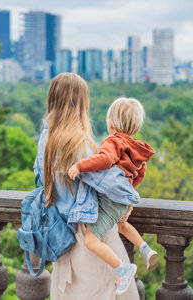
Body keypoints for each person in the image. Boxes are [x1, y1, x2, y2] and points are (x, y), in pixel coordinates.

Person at [34, 73, 140, 299]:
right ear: (81, 103)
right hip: (89, 237)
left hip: (62, 236)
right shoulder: (79, 144)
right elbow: (113, 187)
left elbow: (40, 181)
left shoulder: (45, 139)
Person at [68, 97, 159, 295]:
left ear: (110, 123)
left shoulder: (113, 141)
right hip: (122, 200)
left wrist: (80, 166)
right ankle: (144, 248)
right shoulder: (137, 150)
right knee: (122, 225)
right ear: (135, 127)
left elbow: (106, 159)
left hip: (110, 200)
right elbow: (139, 175)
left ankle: (122, 269)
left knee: (90, 240)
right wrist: (128, 198)